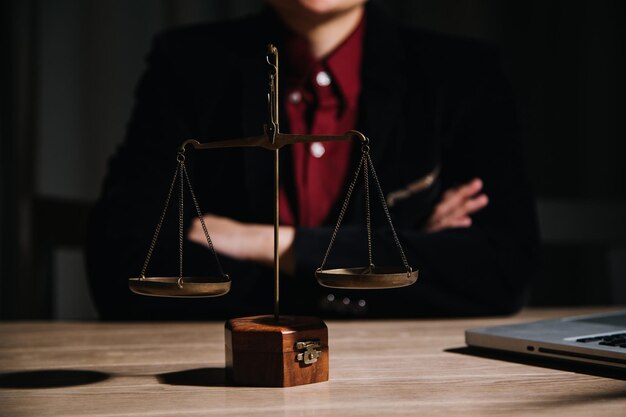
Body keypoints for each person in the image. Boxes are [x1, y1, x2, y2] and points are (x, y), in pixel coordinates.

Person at [86, 0, 539, 320]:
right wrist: (397, 250)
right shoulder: (188, 65)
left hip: (407, 367)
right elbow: (119, 262)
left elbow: (501, 271)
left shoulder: (461, 72)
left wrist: (270, 245)